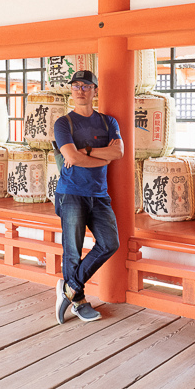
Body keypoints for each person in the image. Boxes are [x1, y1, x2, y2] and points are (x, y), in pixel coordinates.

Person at [52, 70, 124, 324]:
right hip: (70, 193)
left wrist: (89, 151)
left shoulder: (108, 122)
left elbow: (119, 152)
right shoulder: (64, 123)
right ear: (71, 91)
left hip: (99, 195)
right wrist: (98, 156)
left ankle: (68, 287)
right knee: (72, 251)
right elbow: (72, 158)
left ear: (95, 90)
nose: (80, 90)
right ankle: (79, 301)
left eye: (86, 86)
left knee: (109, 243)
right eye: (76, 86)